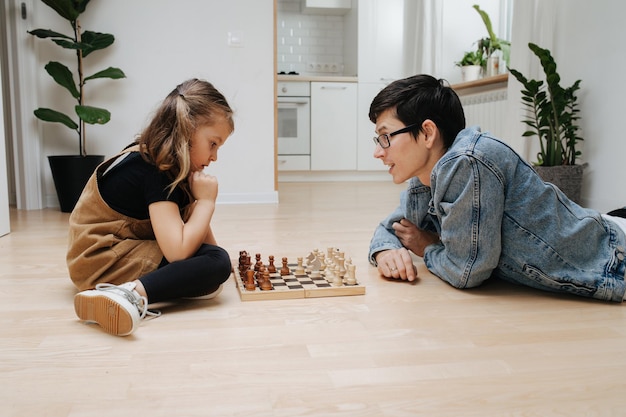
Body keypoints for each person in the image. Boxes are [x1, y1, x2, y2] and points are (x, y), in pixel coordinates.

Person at [368, 74, 626, 302]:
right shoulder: (425, 175)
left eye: (385, 137)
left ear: (427, 133)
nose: (377, 152)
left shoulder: (468, 161)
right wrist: (385, 251)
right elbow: (390, 228)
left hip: (613, 256)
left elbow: (467, 271)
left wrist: (427, 247)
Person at [68, 78, 234, 336]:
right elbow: (179, 253)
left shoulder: (166, 162)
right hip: (99, 259)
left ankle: (135, 290)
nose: (215, 157)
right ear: (188, 129)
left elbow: (204, 246)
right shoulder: (156, 171)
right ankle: (128, 295)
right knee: (216, 264)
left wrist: (212, 259)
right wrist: (206, 202)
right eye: (213, 144)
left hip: (118, 249)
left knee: (215, 268)